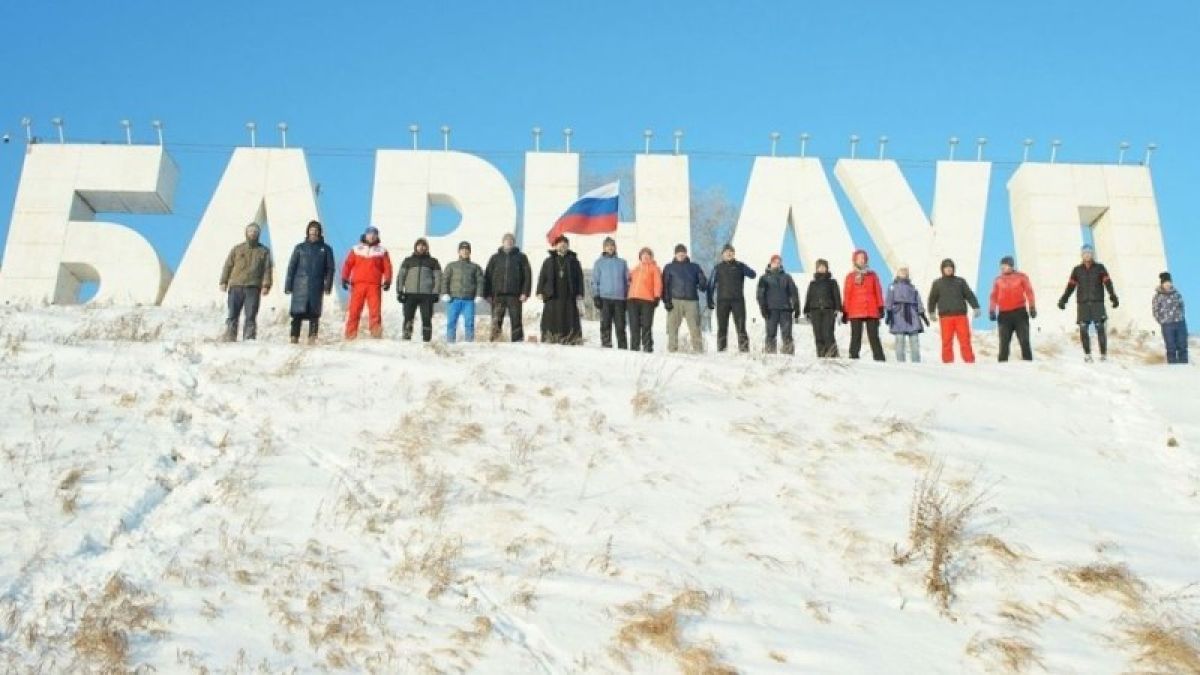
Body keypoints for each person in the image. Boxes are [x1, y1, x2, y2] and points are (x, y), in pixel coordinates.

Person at [1057, 244, 1119, 362]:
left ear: (1092, 254)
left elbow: (1108, 283)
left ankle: (1103, 355)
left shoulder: (1100, 268)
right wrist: (1063, 299)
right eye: (1085, 253)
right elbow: (1070, 286)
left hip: (1097, 303)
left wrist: (1113, 296)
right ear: (1082, 255)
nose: (1087, 255)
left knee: (1100, 328)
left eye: (1089, 253)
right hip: (1083, 304)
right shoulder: (1077, 270)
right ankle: (1087, 354)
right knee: (1083, 329)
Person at [219, 222, 273, 342]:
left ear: (258, 234)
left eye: (255, 232)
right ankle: (230, 337)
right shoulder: (237, 249)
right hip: (236, 286)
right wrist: (223, 281)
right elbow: (228, 265)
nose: (252, 233)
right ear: (246, 233)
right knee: (233, 314)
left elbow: (267, 269)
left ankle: (249, 339)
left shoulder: (264, 251)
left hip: (253, 287)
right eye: (250, 231)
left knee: (251, 315)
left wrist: (266, 285)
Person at [283, 220, 335, 344]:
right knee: (297, 313)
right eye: (311, 230)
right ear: (308, 231)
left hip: (316, 286)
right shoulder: (299, 248)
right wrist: (288, 285)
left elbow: (330, 269)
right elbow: (291, 267)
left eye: (316, 230)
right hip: (299, 285)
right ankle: (294, 337)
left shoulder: (326, 249)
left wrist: (328, 286)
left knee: (314, 313)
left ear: (320, 232)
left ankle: (312, 337)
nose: (314, 232)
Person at [341, 226, 393, 340]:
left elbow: (387, 267)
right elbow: (348, 264)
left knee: (375, 311)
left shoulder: (382, 251)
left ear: (377, 236)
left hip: (374, 285)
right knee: (354, 310)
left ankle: (376, 335)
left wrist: (388, 280)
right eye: (370, 234)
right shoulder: (356, 249)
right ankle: (350, 335)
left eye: (374, 234)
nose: (372, 236)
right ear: (365, 235)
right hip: (358, 285)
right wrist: (344, 277)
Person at [707, 243, 757, 353]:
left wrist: (744, 267)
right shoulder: (718, 268)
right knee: (722, 327)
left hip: (738, 301)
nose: (729, 254)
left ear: (734, 254)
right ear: (722, 255)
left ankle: (744, 350)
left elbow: (753, 275)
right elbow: (710, 284)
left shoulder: (740, 266)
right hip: (722, 301)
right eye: (726, 252)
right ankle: (721, 350)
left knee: (741, 327)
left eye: (731, 252)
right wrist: (709, 300)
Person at [928, 258, 980, 363]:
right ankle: (947, 363)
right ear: (942, 269)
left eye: (950, 267)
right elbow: (932, 298)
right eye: (946, 268)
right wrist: (931, 312)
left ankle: (970, 362)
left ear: (953, 269)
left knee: (965, 340)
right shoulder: (937, 283)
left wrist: (976, 307)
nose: (948, 269)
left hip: (960, 316)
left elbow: (969, 295)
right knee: (946, 341)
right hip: (945, 317)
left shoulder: (960, 281)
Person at [483, 232, 532, 342]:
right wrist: (487, 294)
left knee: (516, 319)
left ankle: (517, 340)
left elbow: (527, 276)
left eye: (511, 240)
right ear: (503, 242)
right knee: (496, 319)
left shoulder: (521, 257)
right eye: (507, 240)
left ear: (514, 243)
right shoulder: (495, 258)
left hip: (515, 295)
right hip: (497, 295)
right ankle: (495, 340)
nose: (509, 242)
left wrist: (525, 293)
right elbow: (488, 276)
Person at [537, 235, 585, 344]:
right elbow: (542, 276)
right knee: (551, 318)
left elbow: (580, 278)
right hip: (552, 295)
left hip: (569, 295)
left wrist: (580, 293)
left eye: (565, 244)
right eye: (560, 243)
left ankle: (571, 339)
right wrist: (539, 291)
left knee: (569, 318)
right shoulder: (548, 260)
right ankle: (550, 338)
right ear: (556, 245)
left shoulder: (573, 260)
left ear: (568, 246)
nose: (563, 245)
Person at [988, 255, 1037, 362]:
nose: (1002, 268)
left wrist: (1032, 307)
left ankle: (1028, 363)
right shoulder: (998, 280)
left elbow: (1029, 292)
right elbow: (993, 296)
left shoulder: (1021, 277)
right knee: (1004, 342)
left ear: (1010, 266)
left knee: (1024, 340)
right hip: (1004, 315)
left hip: (1020, 313)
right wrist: (991, 310)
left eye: (1004, 266)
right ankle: (1002, 365)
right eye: (1001, 266)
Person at [662, 244, 708, 353]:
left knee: (695, 327)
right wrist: (666, 301)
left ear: (686, 253)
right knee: (672, 326)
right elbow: (665, 285)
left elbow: (702, 284)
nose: (681, 254)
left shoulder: (694, 266)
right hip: (675, 300)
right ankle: (672, 350)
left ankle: (698, 350)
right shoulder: (669, 267)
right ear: (675, 254)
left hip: (691, 301)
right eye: (679, 252)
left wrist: (702, 281)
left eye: (683, 252)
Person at [396, 237, 442, 342]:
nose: (421, 247)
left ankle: (426, 340)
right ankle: (406, 338)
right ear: (416, 247)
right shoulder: (408, 261)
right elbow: (401, 276)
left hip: (427, 295)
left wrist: (435, 293)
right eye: (419, 245)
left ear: (427, 248)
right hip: (409, 294)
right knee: (408, 317)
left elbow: (439, 277)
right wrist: (399, 291)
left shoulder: (433, 261)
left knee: (426, 318)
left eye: (423, 246)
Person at [842, 249, 885, 361]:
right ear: (855, 260)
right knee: (856, 336)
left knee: (874, 336)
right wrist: (845, 311)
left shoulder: (872, 275)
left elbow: (878, 291)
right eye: (859, 258)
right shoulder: (850, 277)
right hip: (855, 310)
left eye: (863, 258)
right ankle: (853, 357)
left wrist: (880, 306)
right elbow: (847, 294)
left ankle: (879, 358)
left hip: (871, 309)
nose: (862, 260)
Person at [440, 241, 485, 343]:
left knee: (469, 323)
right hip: (453, 299)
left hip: (469, 300)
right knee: (451, 322)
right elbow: (445, 280)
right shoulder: (451, 266)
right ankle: (450, 342)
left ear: (470, 252)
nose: (465, 251)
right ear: (459, 252)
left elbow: (480, 281)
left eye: (467, 250)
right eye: (462, 250)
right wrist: (444, 293)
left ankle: (469, 342)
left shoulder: (475, 267)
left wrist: (479, 294)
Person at [756, 254, 800, 354]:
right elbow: (760, 295)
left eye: (779, 262)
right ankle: (770, 355)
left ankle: (788, 355)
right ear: (770, 263)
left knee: (787, 334)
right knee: (771, 334)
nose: (777, 264)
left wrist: (797, 307)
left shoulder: (787, 277)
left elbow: (794, 292)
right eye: (775, 262)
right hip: (771, 310)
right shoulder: (764, 278)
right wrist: (763, 308)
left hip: (785, 310)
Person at [591, 236, 630, 349]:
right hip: (605, 298)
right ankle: (606, 345)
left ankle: (623, 347)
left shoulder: (622, 262)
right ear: (604, 248)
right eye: (608, 246)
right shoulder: (599, 263)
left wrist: (627, 297)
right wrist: (596, 295)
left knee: (620, 325)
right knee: (605, 324)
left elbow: (627, 281)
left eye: (612, 245)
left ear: (615, 247)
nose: (610, 248)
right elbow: (595, 280)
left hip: (619, 299)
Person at [885, 266, 929, 362]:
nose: (904, 273)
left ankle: (916, 362)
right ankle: (901, 363)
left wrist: (922, 313)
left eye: (906, 272)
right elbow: (889, 300)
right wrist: (888, 312)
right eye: (901, 271)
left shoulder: (912, 287)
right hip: (898, 314)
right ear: (897, 274)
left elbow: (918, 300)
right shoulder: (892, 286)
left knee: (914, 340)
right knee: (900, 340)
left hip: (912, 314)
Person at [627, 247, 663, 353]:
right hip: (633, 299)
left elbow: (658, 283)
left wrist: (657, 296)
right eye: (643, 254)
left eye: (648, 255)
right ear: (640, 257)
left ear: (651, 257)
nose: (645, 256)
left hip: (647, 300)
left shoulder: (654, 268)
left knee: (646, 324)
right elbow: (628, 282)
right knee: (634, 324)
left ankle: (647, 347)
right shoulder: (635, 269)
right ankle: (634, 347)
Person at [803, 258, 841, 358]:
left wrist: (838, 309)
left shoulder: (832, 282)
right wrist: (806, 310)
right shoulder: (813, 283)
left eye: (823, 267)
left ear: (827, 268)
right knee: (818, 334)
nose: (822, 269)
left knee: (828, 333)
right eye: (819, 267)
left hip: (828, 310)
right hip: (815, 310)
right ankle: (821, 356)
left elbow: (837, 296)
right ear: (817, 269)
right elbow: (809, 296)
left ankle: (833, 356)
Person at [1152, 272, 1188, 364]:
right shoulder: (1158, 297)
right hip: (1167, 325)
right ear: (1162, 283)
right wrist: (1161, 320)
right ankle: (1173, 368)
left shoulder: (1176, 294)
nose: (1167, 285)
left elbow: (1182, 306)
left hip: (1180, 323)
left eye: (1169, 282)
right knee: (1171, 347)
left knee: (1182, 345)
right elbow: (1155, 310)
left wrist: (1181, 316)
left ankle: (1184, 366)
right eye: (1165, 283)